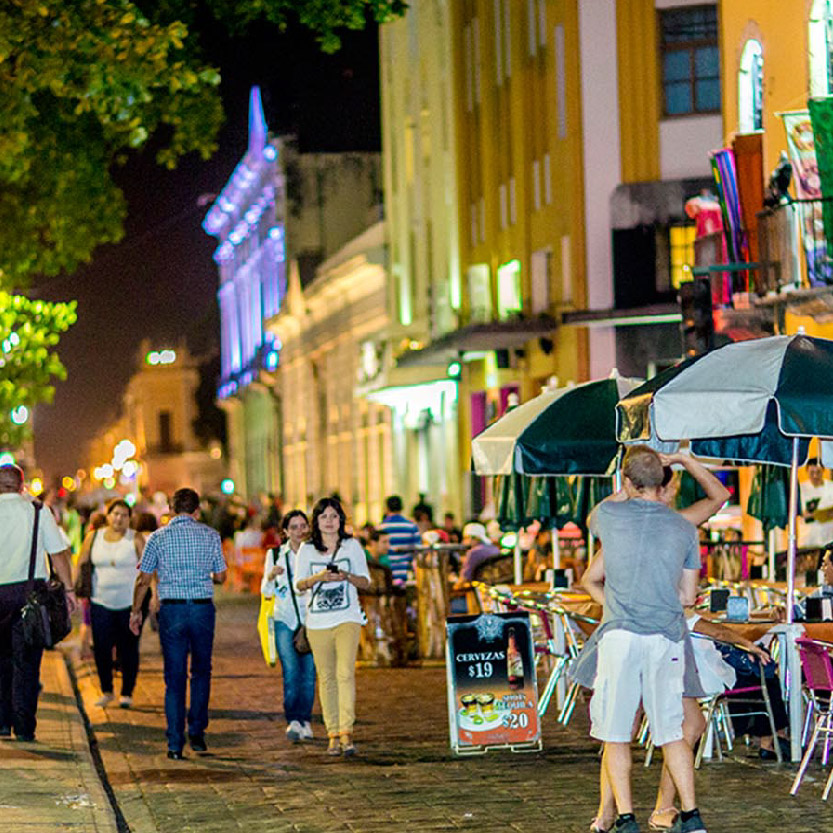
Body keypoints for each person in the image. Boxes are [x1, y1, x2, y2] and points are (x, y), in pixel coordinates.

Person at [586, 454, 730, 832]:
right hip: (665, 637)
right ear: (665, 485)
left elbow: (593, 521)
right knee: (670, 731)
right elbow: (687, 596)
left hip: (620, 635)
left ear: (627, 481)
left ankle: (626, 819)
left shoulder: (610, 518)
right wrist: (684, 457)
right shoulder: (684, 528)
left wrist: (630, 479)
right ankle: (692, 816)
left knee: (616, 733)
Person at [129, 487, 227, 760]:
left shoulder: (158, 538)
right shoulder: (210, 535)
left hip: (171, 610)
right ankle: (197, 733)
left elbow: (144, 579)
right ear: (197, 510)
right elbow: (220, 575)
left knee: (174, 678)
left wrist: (136, 610)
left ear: (170, 510)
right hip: (201, 609)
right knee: (201, 671)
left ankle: (174, 742)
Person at [0, 464, 76, 741]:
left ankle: (1, 720)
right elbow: (58, 554)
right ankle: (23, 727)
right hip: (29, 595)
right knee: (27, 663)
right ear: (22, 486)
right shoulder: (37, 510)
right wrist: (68, 590)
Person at [295, 497, 370, 756]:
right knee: (326, 678)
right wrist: (319, 578)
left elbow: (366, 582)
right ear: (316, 521)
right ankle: (333, 733)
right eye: (324, 516)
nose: (329, 521)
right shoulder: (307, 549)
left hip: (347, 618)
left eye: (334, 516)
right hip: (317, 621)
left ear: (341, 520)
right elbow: (299, 584)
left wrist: (346, 576)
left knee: (345, 674)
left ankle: (347, 732)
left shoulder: (352, 546)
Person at [76, 498, 145, 708]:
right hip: (100, 601)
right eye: (115, 514)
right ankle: (106, 689)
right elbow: (82, 562)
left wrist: (152, 596)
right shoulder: (93, 537)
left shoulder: (136, 538)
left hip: (128, 603)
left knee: (129, 648)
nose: (119, 519)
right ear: (108, 515)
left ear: (129, 518)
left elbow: (149, 569)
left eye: (124, 515)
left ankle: (127, 691)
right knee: (102, 648)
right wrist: (76, 591)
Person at [261, 509, 315, 743]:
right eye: (293, 527)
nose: (299, 531)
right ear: (285, 531)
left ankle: (306, 720)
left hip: (311, 618)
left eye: (303, 526)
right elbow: (265, 592)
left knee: (310, 674)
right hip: (285, 619)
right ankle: (293, 719)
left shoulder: (315, 554)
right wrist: (271, 576)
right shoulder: (275, 556)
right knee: (291, 671)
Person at [377, 496, 421, 584]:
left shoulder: (380, 527)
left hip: (387, 574)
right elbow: (417, 552)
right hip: (406, 574)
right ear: (402, 508)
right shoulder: (411, 526)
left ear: (387, 508)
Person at [453, 522, 501, 589]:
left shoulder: (474, 552)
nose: (463, 541)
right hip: (496, 587)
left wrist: (455, 587)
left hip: (479, 591)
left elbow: (465, 578)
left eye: (465, 538)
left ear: (472, 538)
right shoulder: (494, 548)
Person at [800, 457, 833, 548]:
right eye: (812, 473)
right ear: (807, 472)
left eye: (818, 472)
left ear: (823, 471)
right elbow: (801, 513)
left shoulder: (831, 487)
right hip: (807, 540)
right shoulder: (801, 489)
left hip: (828, 540)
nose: (815, 476)